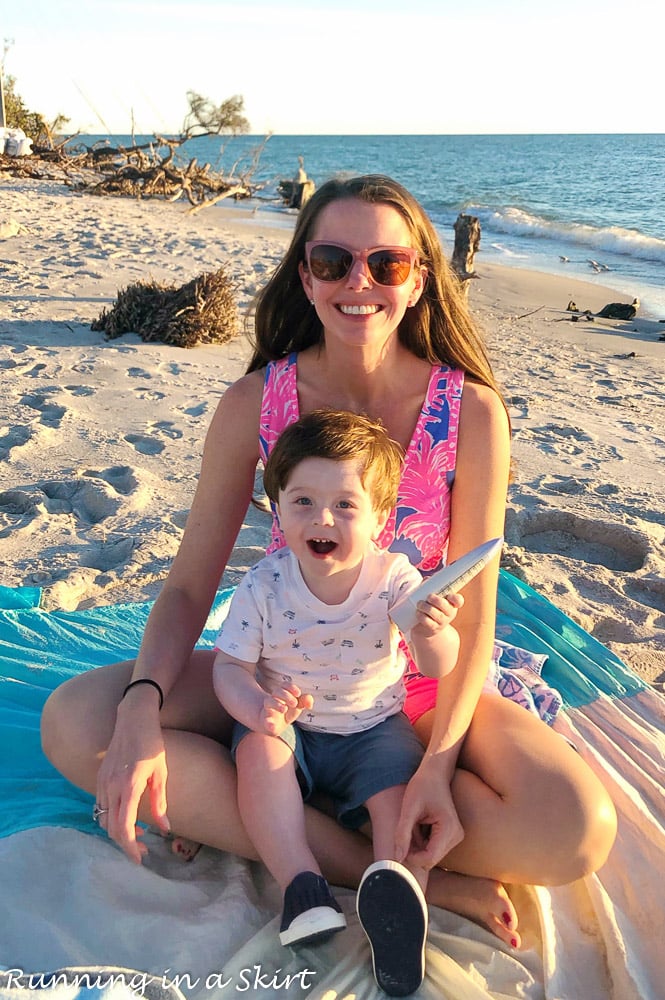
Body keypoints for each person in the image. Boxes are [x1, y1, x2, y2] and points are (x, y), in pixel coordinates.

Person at [41, 174, 617, 961]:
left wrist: (436, 770)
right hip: (278, 680)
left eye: (386, 264)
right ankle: (405, 879)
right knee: (77, 723)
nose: (359, 283)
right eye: (334, 260)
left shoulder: (470, 411)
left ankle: (281, 825)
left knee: (574, 830)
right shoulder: (256, 401)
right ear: (304, 275)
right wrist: (143, 704)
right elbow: (187, 584)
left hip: (408, 684)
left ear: (417, 280)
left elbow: (475, 610)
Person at [213, 408, 462, 993]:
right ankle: (302, 887)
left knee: (395, 803)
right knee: (259, 756)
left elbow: (436, 663)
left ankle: (395, 903)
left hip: (374, 725)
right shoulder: (265, 584)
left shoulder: (396, 578)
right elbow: (230, 666)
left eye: (345, 505)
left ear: (380, 516)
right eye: (302, 501)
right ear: (277, 509)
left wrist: (432, 630)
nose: (322, 518)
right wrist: (254, 708)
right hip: (289, 724)